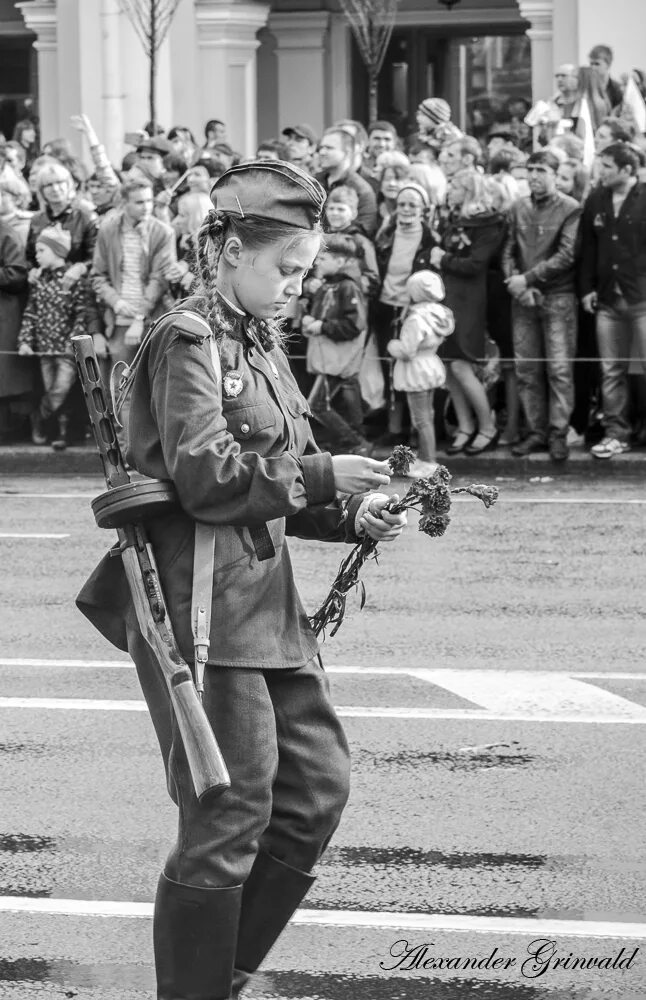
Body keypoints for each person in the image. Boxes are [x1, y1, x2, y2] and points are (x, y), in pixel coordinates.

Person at [76, 159, 407, 1000]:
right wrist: (326, 477)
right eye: (286, 269)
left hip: (266, 606)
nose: (296, 288)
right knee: (228, 816)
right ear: (229, 252)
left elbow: (277, 475)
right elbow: (208, 477)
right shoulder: (187, 339)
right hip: (203, 609)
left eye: (303, 271)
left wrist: (347, 517)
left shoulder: (257, 341)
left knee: (315, 792)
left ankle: (220, 978)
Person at [502, 150, 581, 462]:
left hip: (558, 296)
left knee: (560, 369)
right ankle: (536, 431)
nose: (534, 175)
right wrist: (516, 283)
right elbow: (507, 250)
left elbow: (567, 254)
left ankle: (558, 432)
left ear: (554, 173)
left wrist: (529, 279)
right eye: (530, 169)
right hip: (522, 297)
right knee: (527, 368)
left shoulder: (571, 208)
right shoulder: (518, 206)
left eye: (540, 170)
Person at [432, 171, 507, 455]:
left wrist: (444, 258)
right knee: (448, 366)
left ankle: (487, 427)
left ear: (469, 190)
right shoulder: (454, 218)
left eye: (455, 185)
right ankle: (464, 426)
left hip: (469, 299)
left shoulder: (488, 222)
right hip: (448, 295)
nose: (450, 189)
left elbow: (476, 264)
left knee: (463, 365)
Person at [579, 142, 646, 459]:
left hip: (642, 296)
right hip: (607, 296)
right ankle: (616, 433)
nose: (600, 172)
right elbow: (588, 248)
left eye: (606, 167)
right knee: (611, 369)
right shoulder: (595, 198)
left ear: (627, 169)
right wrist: (587, 288)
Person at [91, 176, 177, 371]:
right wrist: (116, 301)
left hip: (154, 317)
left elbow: (160, 279)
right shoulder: (108, 229)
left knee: (156, 387)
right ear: (124, 203)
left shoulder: (163, 231)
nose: (146, 207)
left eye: (149, 201)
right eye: (139, 202)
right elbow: (98, 276)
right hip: (119, 318)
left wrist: (139, 317)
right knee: (121, 388)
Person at [375, 181, 435, 443]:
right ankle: (394, 428)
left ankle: (414, 429)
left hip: (413, 311)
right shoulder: (385, 233)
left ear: (424, 208)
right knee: (388, 366)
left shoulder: (431, 239)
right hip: (385, 306)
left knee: (410, 366)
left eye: (413, 204)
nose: (407, 209)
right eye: (402, 204)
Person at [301, 233, 371, 455]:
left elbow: (354, 325)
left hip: (338, 359)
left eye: (322, 259)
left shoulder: (348, 287)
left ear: (340, 261)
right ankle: (348, 442)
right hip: (328, 358)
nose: (317, 262)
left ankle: (356, 443)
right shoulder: (328, 284)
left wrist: (322, 326)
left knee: (319, 406)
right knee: (337, 404)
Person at [17, 226, 86, 449]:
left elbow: (81, 313)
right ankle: (57, 433)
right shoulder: (39, 281)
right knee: (51, 390)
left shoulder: (72, 280)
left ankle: (38, 416)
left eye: (41, 250)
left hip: (66, 350)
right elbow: (31, 312)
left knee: (61, 389)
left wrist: (72, 342)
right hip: (44, 348)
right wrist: (26, 341)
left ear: (57, 251)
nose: (36, 256)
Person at [386, 269, 454, 476]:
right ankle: (426, 456)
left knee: (422, 419)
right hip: (430, 362)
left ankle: (428, 461)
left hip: (416, 368)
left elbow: (407, 350)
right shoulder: (440, 313)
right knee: (427, 417)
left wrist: (392, 345)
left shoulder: (416, 318)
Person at [0, 216, 31, 439]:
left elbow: (17, 275)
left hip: (4, 310)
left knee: (6, 375)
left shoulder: (6, 233)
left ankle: (9, 430)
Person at [316, 128, 378, 236]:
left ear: (348, 151)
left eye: (329, 148)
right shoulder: (313, 183)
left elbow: (364, 231)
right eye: (321, 147)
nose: (322, 152)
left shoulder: (362, 190)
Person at [324, 185, 379, 299]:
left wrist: (346, 282)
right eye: (331, 208)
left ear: (353, 213)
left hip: (348, 301)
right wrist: (309, 284)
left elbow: (372, 279)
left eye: (341, 209)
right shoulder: (321, 238)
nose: (335, 213)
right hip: (320, 301)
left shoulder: (361, 242)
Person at [588, 44, 624, 111]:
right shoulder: (586, 88)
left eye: (597, 64)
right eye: (591, 64)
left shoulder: (618, 90)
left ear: (608, 64)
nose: (593, 67)